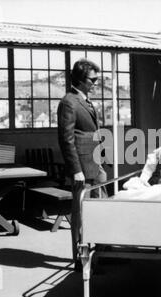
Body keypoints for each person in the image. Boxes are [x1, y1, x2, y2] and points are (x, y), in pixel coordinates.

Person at [57, 58, 107, 268]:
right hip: (83, 169)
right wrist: (76, 170)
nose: (96, 83)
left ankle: (101, 252)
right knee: (81, 212)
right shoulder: (69, 102)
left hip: (95, 164)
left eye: (97, 79)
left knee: (100, 208)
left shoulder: (84, 100)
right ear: (79, 79)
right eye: (92, 79)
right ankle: (80, 258)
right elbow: (65, 139)